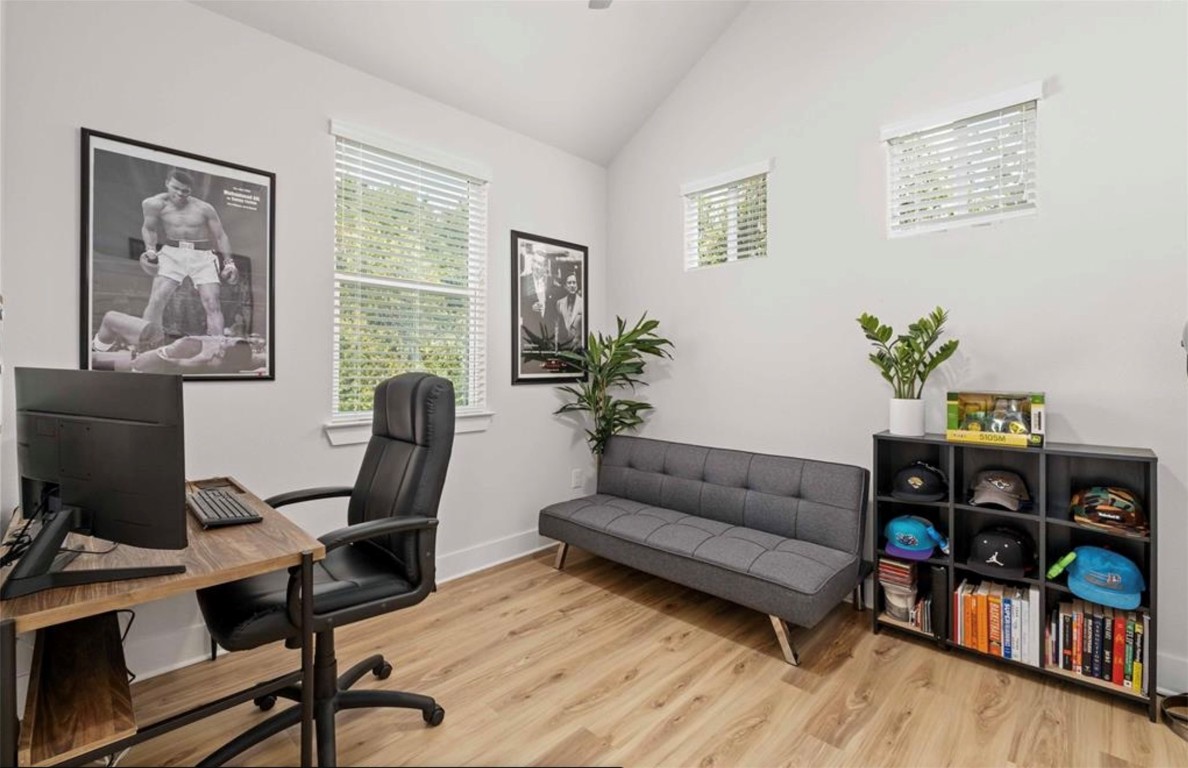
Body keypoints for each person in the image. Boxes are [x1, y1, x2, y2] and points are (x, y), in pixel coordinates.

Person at [137, 169, 238, 338]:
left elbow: (221, 235)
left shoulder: (204, 208)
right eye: (175, 188)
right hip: (172, 253)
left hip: (202, 255)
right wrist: (150, 250)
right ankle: (147, 346)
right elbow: (149, 228)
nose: (180, 193)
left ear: (190, 191)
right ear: (167, 183)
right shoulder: (153, 204)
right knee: (156, 300)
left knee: (212, 303)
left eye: (185, 191)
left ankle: (217, 348)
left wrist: (229, 263)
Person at [90, 310, 262, 374]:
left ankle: (96, 348)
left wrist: (169, 352)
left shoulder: (206, 358)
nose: (220, 339)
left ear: (221, 353)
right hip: (162, 344)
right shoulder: (243, 358)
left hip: (155, 350)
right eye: (225, 338)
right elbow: (262, 359)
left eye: (223, 342)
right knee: (97, 356)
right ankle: (98, 349)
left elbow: (146, 362)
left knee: (95, 357)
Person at [519, 243, 556, 348]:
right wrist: (530, 307)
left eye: (539, 264)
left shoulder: (551, 283)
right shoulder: (523, 281)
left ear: (545, 266)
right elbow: (517, 306)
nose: (535, 266)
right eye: (534, 262)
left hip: (549, 337)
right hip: (529, 335)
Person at [554, 272, 583, 349]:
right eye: (569, 283)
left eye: (574, 283)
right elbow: (557, 326)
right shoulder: (559, 303)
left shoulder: (583, 303)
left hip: (578, 347)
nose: (572, 285)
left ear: (577, 285)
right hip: (563, 346)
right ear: (565, 286)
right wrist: (556, 346)